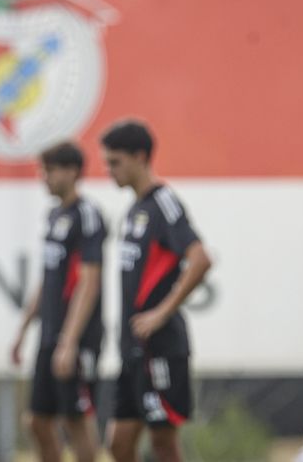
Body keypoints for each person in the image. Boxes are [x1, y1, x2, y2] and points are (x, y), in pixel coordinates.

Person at [99, 119, 212, 462]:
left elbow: (200, 259)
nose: (109, 170)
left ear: (140, 156)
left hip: (161, 346)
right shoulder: (134, 211)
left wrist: (161, 313)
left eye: (115, 162)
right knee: (119, 444)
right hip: (132, 348)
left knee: (162, 443)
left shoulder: (164, 202)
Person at [11, 141, 107, 462]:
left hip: (78, 338)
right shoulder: (54, 215)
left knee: (75, 420)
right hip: (50, 336)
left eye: (50, 170)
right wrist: (24, 330)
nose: (44, 177)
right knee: (37, 421)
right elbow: (49, 277)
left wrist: (70, 341)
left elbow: (89, 283)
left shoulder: (88, 215)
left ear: (73, 172)